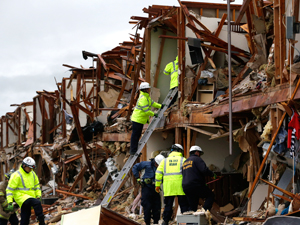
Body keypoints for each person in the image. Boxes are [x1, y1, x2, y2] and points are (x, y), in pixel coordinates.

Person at [155, 144, 189, 225]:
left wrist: (157, 185)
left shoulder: (165, 161)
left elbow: (158, 173)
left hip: (168, 187)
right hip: (180, 186)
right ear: (180, 151)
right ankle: (186, 222)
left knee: (168, 205)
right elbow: (188, 173)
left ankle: (165, 221)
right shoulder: (183, 160)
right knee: (184, 205)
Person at [6, 157, 45, 225]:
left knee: (25, 216)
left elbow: (37, 186)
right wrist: (10, 202)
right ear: (24, 166)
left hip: (30, 197)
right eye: (29, 168)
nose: (31, 169)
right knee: (37, 203)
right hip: (21, 197)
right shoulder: (16, 175)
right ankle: (42, 222)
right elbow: (10, 189)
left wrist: (38, 195)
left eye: (32, 168)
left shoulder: (32, 174)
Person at [130, 82, 162, 155]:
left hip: (140, 119)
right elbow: (146, 111)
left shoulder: (146, 97)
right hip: (137, 119)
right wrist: (154, 114)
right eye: (148, 88)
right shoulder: (143, 98)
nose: (149, 89)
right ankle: (133, 151)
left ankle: (134, 150)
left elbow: (152, 103)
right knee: (135, 135)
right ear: (145, 89)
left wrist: (160, 106)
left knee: (137, 135)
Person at [133, 154, 165, 225]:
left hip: (156, 189)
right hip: (146, 188)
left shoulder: (161, 168)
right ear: (155, 163)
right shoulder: (146, 164)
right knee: (147, 206)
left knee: (157, 206)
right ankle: (147, 222)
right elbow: (135, 167)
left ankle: (156, 222)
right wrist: (137, 178)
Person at [182, 146, 216, 212]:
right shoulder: (197, 159)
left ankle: (191, 221)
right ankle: (205, 212)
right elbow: (204, 170)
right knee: (210, 195)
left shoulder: (185, 162)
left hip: (186, 187)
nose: (200, 155)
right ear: (197, 152)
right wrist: (212, 174)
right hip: (196, 185)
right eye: (199, 153)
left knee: (192, 206)